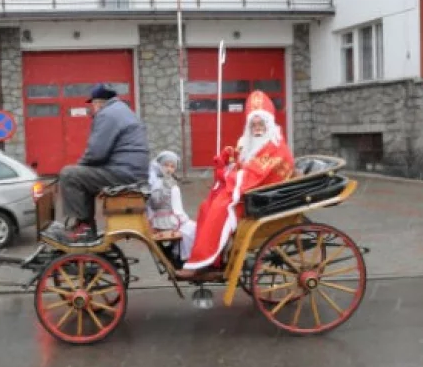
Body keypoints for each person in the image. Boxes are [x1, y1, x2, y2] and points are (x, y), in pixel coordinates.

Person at [175, 90, 295, 281]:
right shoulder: (258, 143)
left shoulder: (275, 148)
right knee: (206, 206)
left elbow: (253, 175)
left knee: (219, 209)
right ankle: (212, 260)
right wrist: (229, 160)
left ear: (269, 125)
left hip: (261, 198)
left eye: (261, 124)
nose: (257, 128)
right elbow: (246, 167)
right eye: (253, 124)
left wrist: (228, 174)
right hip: (252, 192)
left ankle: (202, 261)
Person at [44, 84, 149, 245]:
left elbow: (96, 153)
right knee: (81, 176)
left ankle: (83, 228)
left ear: (98, 102)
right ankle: (85, 227)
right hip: (131, 171)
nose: (93, 108)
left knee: (70, 175)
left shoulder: (107, 114)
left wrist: (79, 167)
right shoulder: (123, 111)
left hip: (124, 173)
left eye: (93, 104)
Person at [147, 150, 196, 262]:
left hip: (173, 217)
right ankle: (182, 256)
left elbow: (177, 206)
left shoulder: (170, 181)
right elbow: (155, 203)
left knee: (194, 228)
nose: (169, 169)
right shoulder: (159, 183)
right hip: (165, 219)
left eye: (172, 166)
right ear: (160, 166)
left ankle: (182, 254)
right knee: (192, 229)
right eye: (166, 165)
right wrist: (165, 190)